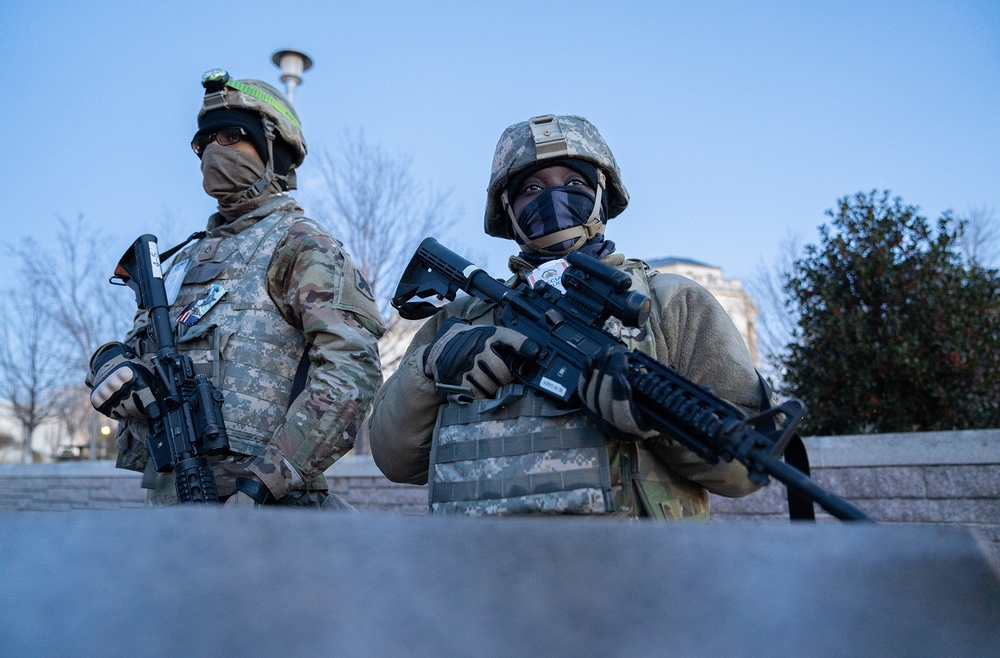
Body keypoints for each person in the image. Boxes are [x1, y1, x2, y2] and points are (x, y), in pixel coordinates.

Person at [367, 114, 767, 519]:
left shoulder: (671, 301)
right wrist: (429, 370)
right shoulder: (464, 315)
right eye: (532, 188)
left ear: (601, 197)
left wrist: (660, 421)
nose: (554, 198)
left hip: (633, 571)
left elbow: (747, 467)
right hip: (479, 569)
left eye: (574, 184)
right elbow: (394, 460)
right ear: (508, 211)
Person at [89, 69, 384, 508]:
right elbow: (138, 350)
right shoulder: (183, 263)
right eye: (202, 142)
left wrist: (262, 485)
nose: (211, 150)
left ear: (275, 150)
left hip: (268, 511)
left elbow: (350, 374)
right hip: (173, 505)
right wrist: (110, 364)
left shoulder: (301, 243)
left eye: (230, 135)